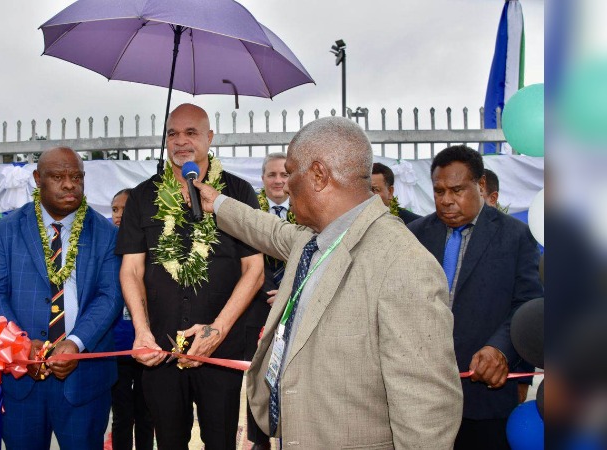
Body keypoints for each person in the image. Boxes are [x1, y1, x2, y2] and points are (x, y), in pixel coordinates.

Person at [194, 117, 463, 448]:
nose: (285, 185)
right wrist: (216, 202)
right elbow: (269, 230)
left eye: (291, 172)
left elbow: (427, 415)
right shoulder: (313, 240)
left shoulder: (402, 264)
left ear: (319, 175)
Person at [116, 103, 264, 449]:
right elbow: (131, 269)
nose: (181, 141)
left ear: (210, 138)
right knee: (168, 442)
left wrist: (218, 329)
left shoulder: (238, 193)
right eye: (172, 133)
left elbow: (254, 270)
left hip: (220, 347)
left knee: (220, 441)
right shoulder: (142, 197)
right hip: (160, 351)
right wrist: (141, 331)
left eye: (191, 132)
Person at [0, 146, 123, 449]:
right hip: (21, 380)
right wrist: (19, 342)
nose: (69, 184)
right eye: (58, 177)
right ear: (37, 179)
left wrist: (76, 342)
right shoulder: (7, 228)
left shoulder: (106, 233)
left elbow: (110, 296)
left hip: (84, 381)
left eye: (76, 177)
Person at [407, 145, 543, 450]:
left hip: (485, 395)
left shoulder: (515, 236)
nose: (446, 200)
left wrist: (500, 349)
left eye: (456, 190)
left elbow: (528, 305)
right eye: (439, 191)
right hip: (422, 397)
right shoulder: (414, 235)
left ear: (480, 186)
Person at [245, 152, 296, 450]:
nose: (278, 181)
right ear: (262, 179)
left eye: (284, 175)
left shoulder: (307, 211)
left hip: (294, 305)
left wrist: (290, 289)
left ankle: (292, 435)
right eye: (272, 175)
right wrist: (263, 289)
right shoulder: (250, 212)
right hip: (257, 305)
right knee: (258, 373)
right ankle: (259, 439)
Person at [110, 189, 155, 450]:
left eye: (124, 209)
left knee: (146, 412)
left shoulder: (147, 246)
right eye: (114, 209)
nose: (119, 215)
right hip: (115, 347)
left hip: (146, 344)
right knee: (122, 413)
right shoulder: (107, 247)